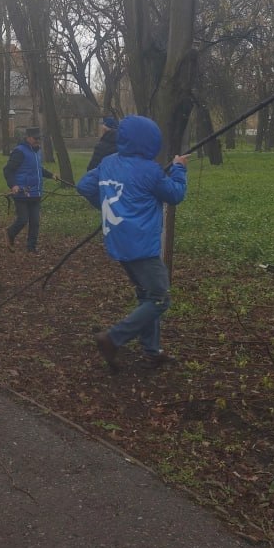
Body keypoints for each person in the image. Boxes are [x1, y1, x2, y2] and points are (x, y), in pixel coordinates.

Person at [76, 115, 188, 372]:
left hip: (118, 244)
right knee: (160, 299)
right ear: (150, 142)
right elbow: (175, 194)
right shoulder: (150, 170)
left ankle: (152, 351)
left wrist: (106, 207)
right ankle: (113, 339)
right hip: (142, 248)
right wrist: (179, 168)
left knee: (146, 296)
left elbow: (84, 186)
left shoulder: (108, 162)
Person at [2, 126, 53, 253]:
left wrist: (51, 175)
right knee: (23, 219)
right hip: (21, 192)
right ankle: (10, 233)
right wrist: (13, 185)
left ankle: (31, 248)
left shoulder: (37, 152)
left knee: (35, 222)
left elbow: (38, 169)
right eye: (35, 138)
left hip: (36, 192)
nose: (37, 141)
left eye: (39, 138)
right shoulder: (19, 151)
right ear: (28, 138)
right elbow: (8, 170)